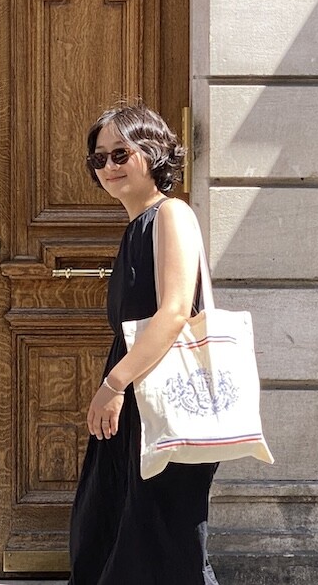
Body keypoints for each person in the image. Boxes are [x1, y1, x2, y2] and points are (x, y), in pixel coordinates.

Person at [68, 103, 220, 585]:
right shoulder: (136, 228)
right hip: (138, 395)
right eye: (99, 159)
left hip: (165, 395)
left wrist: (113, 385)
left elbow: (174, 312)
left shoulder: (171, 214)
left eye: (121, 153)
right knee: (112, 529)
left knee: (161, 541)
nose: (109, 166)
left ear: (153, 154)